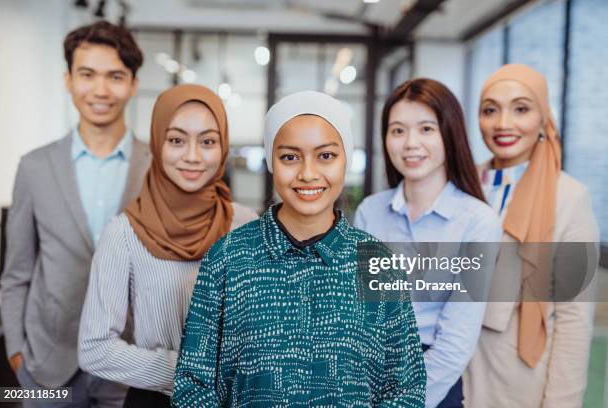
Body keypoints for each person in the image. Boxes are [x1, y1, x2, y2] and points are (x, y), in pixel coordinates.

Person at [172, 90, 427, 407]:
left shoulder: (376, 262)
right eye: (290, 157)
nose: (308, 174)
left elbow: (406, 387)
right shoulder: (228, 258)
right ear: (271, 161)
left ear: (345, 159)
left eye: (326, 156)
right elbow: (194, 386)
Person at [78, 84, 257, 408]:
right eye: (176, 140)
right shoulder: (124, 233)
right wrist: (189, 371)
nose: (192, 156)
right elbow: (94, 347)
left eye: (208, 141)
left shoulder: (245, 225)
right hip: (156, 401)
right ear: (158, 143)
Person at [0, 21, 149, 406]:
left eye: (115, 76)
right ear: (68, 80)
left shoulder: (157, 168)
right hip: (46, 366)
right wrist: (17, 352)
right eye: (87, 75)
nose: (100, 90)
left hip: (130, 366)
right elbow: (16, 272)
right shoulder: (35, 167)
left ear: (133, 84)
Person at [354, 78, 501, 408]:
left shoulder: (478, 222)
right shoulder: (370, 212)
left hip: (434, 385)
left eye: (425, 129)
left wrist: (404, 401)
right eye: (397, 131)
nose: (410, 143)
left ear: (449, 134)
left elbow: (456, 341)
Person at [463, 64, 599, 407]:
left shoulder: (569, 196)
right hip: (452, 367)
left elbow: (573, 321)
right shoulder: (461, 184)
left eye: (521, 109)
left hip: (519, 380)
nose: (503, 123)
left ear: (543, 117)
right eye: (490, 110)